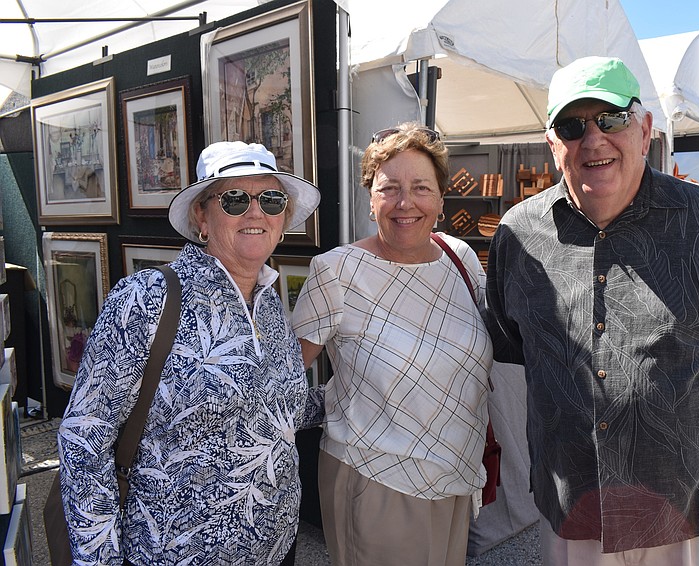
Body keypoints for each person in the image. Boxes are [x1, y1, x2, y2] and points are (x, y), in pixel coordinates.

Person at [485, 56, 699, 565]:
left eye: (612, 119)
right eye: (572, 126)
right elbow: (521, 347)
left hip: (691, 508)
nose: (593, 139)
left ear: (645, 131)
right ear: (552, 145)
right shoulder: (519, 234)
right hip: (575, 508)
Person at [57, 141, 323, 564]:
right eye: (235, 199)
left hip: (277, 547)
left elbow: (272, 412)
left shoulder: (268, 300)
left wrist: (357, 390)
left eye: (271, 199)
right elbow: (84, 438)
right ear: (202, 215)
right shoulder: (145, 300)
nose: (256, 212)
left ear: (284, 216)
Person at [291, 122, 493, 566]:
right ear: (370, 199)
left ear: (441, 199)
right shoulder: (336, 272)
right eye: (390, 188)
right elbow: (284, 377)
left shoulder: (460, 260)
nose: (406, 203)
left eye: (421, 187)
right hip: (377, 479)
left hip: (457, 477)